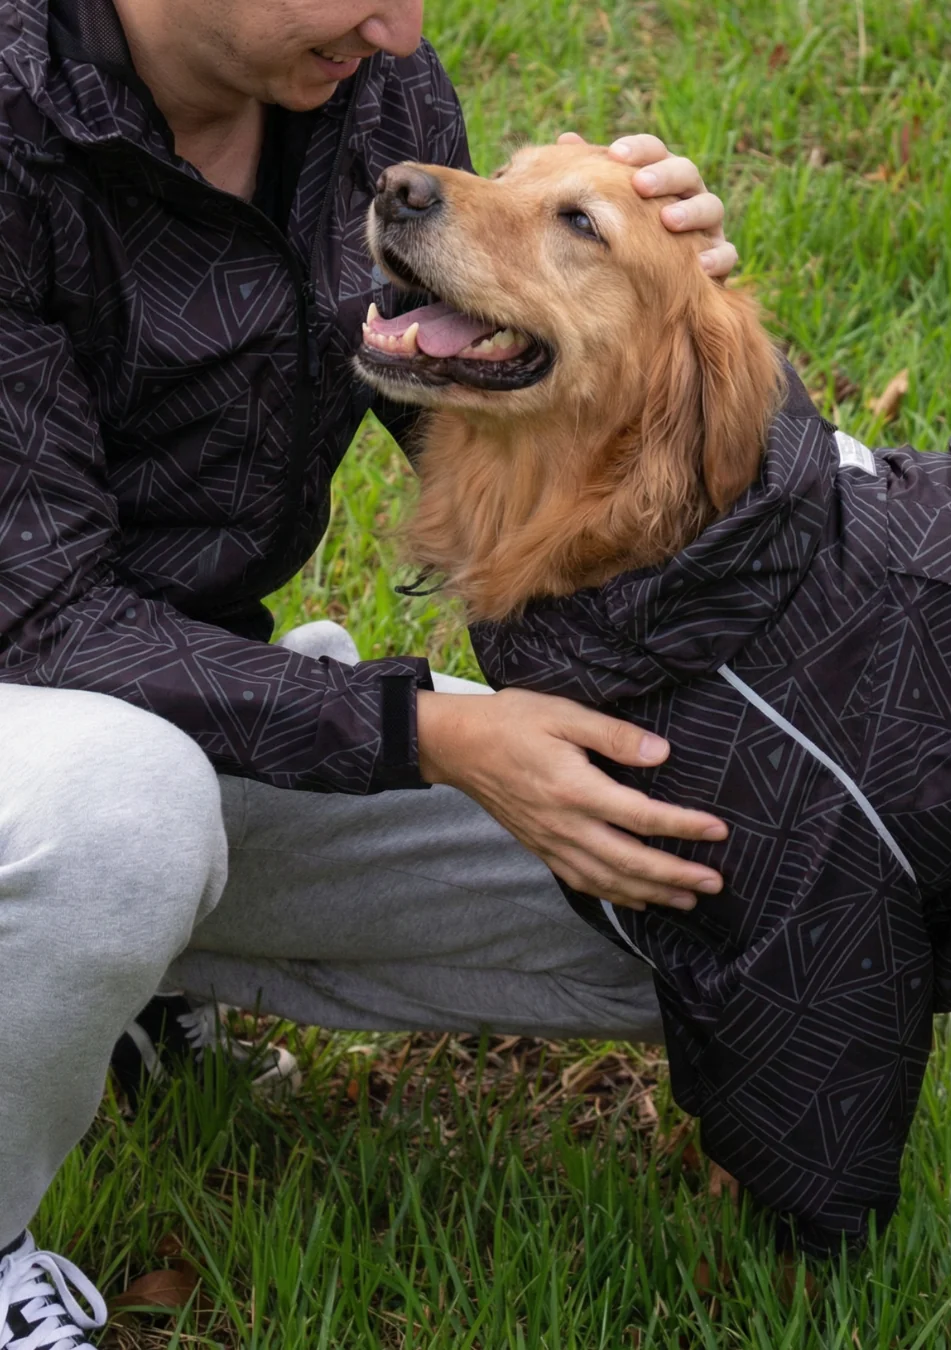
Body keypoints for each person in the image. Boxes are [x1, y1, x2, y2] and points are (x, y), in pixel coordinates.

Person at [0, 0, 742, 1343]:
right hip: (65, 731)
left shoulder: (361, 84)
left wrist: (654, 313)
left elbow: (501, 435)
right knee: (120, 811)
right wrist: (433, 736)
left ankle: (132, 976)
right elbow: (46, 619)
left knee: (708, 876)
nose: (399, 27)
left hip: (183, 711)